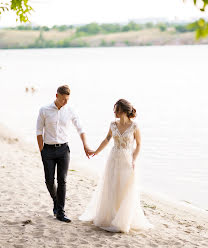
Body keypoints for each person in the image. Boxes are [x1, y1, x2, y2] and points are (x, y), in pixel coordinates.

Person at [80, 99, 153, 233]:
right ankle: (111, 217)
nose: (115, 112)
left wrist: (134, 160)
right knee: (112, 187)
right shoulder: (113, 125)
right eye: (114, 109)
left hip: (127, 160)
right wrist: (96, 151)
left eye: (117, 110)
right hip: (113, 159)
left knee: (125, 189)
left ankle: (123, 219)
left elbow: (139, 144)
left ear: (124, 111)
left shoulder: (134, 126)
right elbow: (107, 139)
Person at [36, 85, 92, 223]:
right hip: (48, 150)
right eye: (63, 99)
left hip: (63, 150)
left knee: (63, 180)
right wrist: (42, 151)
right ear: (57, 96)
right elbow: (38, 131)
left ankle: (60, 211)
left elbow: (80, 128)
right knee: (49, 181)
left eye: (67, 99)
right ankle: (56, 201)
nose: (65, 102)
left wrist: (85, 145)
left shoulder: (70, 110)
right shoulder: (44, 110)